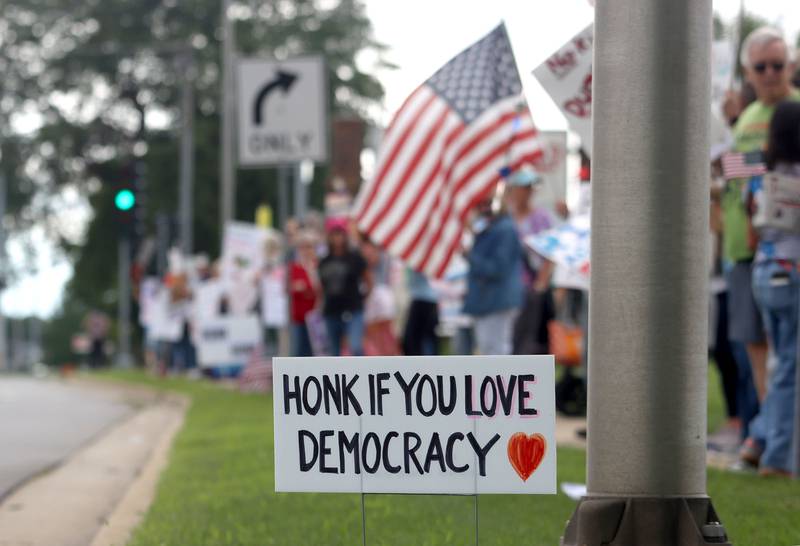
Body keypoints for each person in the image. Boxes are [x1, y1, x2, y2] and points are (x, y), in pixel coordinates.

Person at [723, 27, 800, 404]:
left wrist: (750, 167)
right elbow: (730, 173)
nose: (770, 73)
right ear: (748, 72)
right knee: (755, 348)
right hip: (744, 249)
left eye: (777, 64)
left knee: (788, 355)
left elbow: (744, 170)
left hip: (790, 250)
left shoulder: (796, 109)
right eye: (761, 66)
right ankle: (770, 433)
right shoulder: (744, 119)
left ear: (791, 66)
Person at [741, 101, 800, 476]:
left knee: (781, 362)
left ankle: (759, 437)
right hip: (791, 270)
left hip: (762, 269)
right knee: (787, 367)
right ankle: (774, 455)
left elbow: (748, 226)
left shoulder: (756, 166)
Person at [462, 192, 523, 355]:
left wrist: (470, 256)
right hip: (487, 300)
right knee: (488, 348)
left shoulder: (504, 230)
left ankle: (502, 382)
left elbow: (497, 268)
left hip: (496, 301)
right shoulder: (492, 228)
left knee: (496, 350)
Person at [505, 166, 556, 355]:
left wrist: (541, 282)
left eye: (529, 188)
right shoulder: (506, 218)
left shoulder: (541, 217)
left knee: (529, 339)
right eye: (523, 187)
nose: (527, 192)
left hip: (530, 289)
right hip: (508, 288)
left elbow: (549, 253)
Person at [318, 218, 372, 356]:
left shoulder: (355, 258)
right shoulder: (324, 261)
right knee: (334, 351)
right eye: (334, 234)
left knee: (355, 346)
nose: (337, 238)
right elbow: (321, 288)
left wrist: (363, 299)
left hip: (353, 309)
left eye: (340, 234)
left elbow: (368, 281)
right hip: (331, 310)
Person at [287, 230, 318, 357]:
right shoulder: (294, 267)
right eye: (303, 247)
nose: (306, 250)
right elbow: (289, 287)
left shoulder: (317, 266)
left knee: (316, 350)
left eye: (309, 247)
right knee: (300, 350)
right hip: (299, 315)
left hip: (315, 315)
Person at [402, 268, 440, 356]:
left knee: (416, 339)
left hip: (422, 300)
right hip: (424, 299)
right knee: (422, 338)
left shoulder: (417, 261)